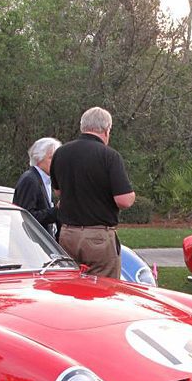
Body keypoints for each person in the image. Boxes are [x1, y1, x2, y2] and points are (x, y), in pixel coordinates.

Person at [50, 106, 135, 278]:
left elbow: (58, 191)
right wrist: (132, 195)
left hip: (67, 234)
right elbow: (124, 200)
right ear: (106, 129)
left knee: (70, 286)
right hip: (98, 237)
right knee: (104, 290)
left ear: (83, 126)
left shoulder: (60, 153)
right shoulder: (109, 156)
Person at [13, 137, 61, 237]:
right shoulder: (30, 180)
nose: (56, 162)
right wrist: (56, 211)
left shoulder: (45, 179)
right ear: (39, 158)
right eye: (51, 158)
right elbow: (26, 217)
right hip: (30, 245)